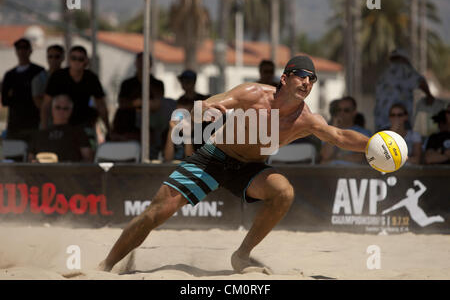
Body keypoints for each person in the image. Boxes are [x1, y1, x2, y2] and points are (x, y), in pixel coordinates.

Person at [98, 55, 369, 273]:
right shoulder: (253, 94)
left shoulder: (307, 119)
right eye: (302, 75)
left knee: (284, 192)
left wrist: (372, 145)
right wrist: (203, 111)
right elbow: (208, 105)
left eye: (313, 79)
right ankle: (106, 265)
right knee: (155, 214)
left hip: (250, 168)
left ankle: (241, 256)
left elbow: (341, 136)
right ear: (285, 78)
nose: (307, 82)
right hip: (213, 157)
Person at [41, 45, 110, 149]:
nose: (77, 62)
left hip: (84, 124)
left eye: (80, 59)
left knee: (88, 152)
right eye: (73, 58)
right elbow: (45, 105)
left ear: (86, 61)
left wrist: (108, 128)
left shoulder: (91, 78)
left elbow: (101, 105)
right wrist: (44, 129)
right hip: (61, 125)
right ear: (69, 59)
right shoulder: (58, 77)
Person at [374, 48, 432, 131]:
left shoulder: (384, 74)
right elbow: (421, 82)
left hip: (381, 123)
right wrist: (429, 96)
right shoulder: (404, 69)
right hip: (400, 124)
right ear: (404, 59)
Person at [1, 38, 44, 144]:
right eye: (19, 48)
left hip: (34, 125)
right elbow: (5, 100)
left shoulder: (38, 72)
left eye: (25, 48)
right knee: (13, 157)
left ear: (30, 50)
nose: (22, 51)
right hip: (15, 126)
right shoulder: (10, 75)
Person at [28, 94, 93, 162]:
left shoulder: (78, 132)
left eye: (65, 108)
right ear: (52, 108)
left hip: (68, 170)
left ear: (71, 110)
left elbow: (88, 159)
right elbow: (30, 159)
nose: (61, 111)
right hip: (41, 170)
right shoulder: (40, 133)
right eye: (58, 107)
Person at [320, 96, 371, 165]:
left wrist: (336, 157)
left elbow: (359, 157)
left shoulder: (363, 133)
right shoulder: (329, 131)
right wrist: (334, 127)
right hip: (331, 172)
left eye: (346, 110)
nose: (342, 113)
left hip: (353, 173)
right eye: (339, 110)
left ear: (354, 112)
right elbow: (325, 156)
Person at [31, 45, 65, 110]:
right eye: (50, 57)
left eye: (57, 57)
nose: (53, 60)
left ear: (63, 58)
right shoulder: (39, 79)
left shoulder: (69, 75)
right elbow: (38, 102)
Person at [163, 97, 194, 162]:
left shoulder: (199, 132)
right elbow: (167, 159)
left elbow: (191, 160)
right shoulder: (167, 131)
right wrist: (171, 130)